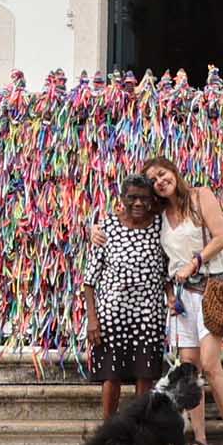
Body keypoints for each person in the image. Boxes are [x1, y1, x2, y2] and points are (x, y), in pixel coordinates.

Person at [147, 158, 223, 445]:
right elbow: (162, 262)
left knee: (211, 364)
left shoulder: (201, 196)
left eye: (161, 174)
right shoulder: (161, 216)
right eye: (153, 180)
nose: (159, 181)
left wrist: (195, 262)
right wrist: (169, 296)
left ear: (173, 171)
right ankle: (199, 438)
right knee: (188, 372)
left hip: (209, 291)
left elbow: (221, 237)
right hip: (182, 299)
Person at [80, 173, 172, 422]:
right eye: (132, 198)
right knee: (112, 375)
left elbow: (167, 271)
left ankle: (140, 429)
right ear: (122, 199)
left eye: (144, 198)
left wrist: (171, 297)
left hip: (148, 314)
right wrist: (92, 320)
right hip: (112, 314)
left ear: (152, 200)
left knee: (145, 374)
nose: (138, 204)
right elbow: (89, 280)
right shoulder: (107, 227)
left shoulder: (159, 227)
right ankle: (109, 429)